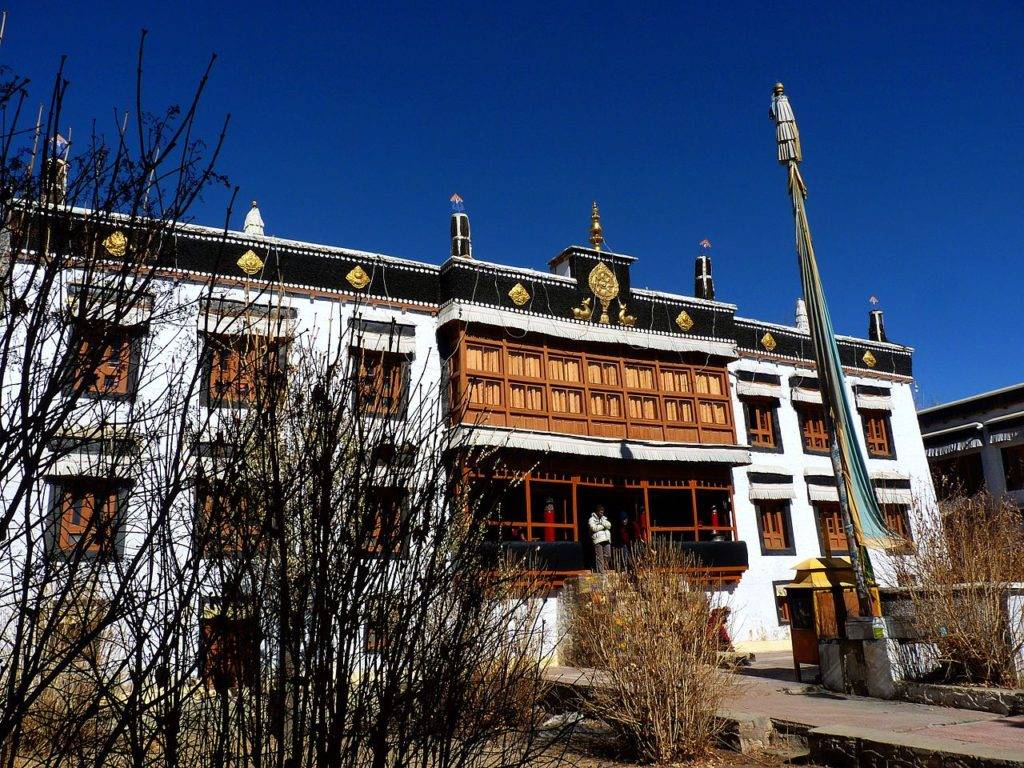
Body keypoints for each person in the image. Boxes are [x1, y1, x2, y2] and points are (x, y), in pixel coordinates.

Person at [589, 505, 612, 573]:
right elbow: (594, 528)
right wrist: (603, 526)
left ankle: (604, 569)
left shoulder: (604, 518)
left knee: (608, 555)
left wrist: (601, 524)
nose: (602, 514)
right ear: (597, 512)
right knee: (600, 557)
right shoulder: (592, 519)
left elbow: (609, 525)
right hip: (598, 540)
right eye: (600, 512)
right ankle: (601, 572)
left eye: (602, 512)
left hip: (606, 539)